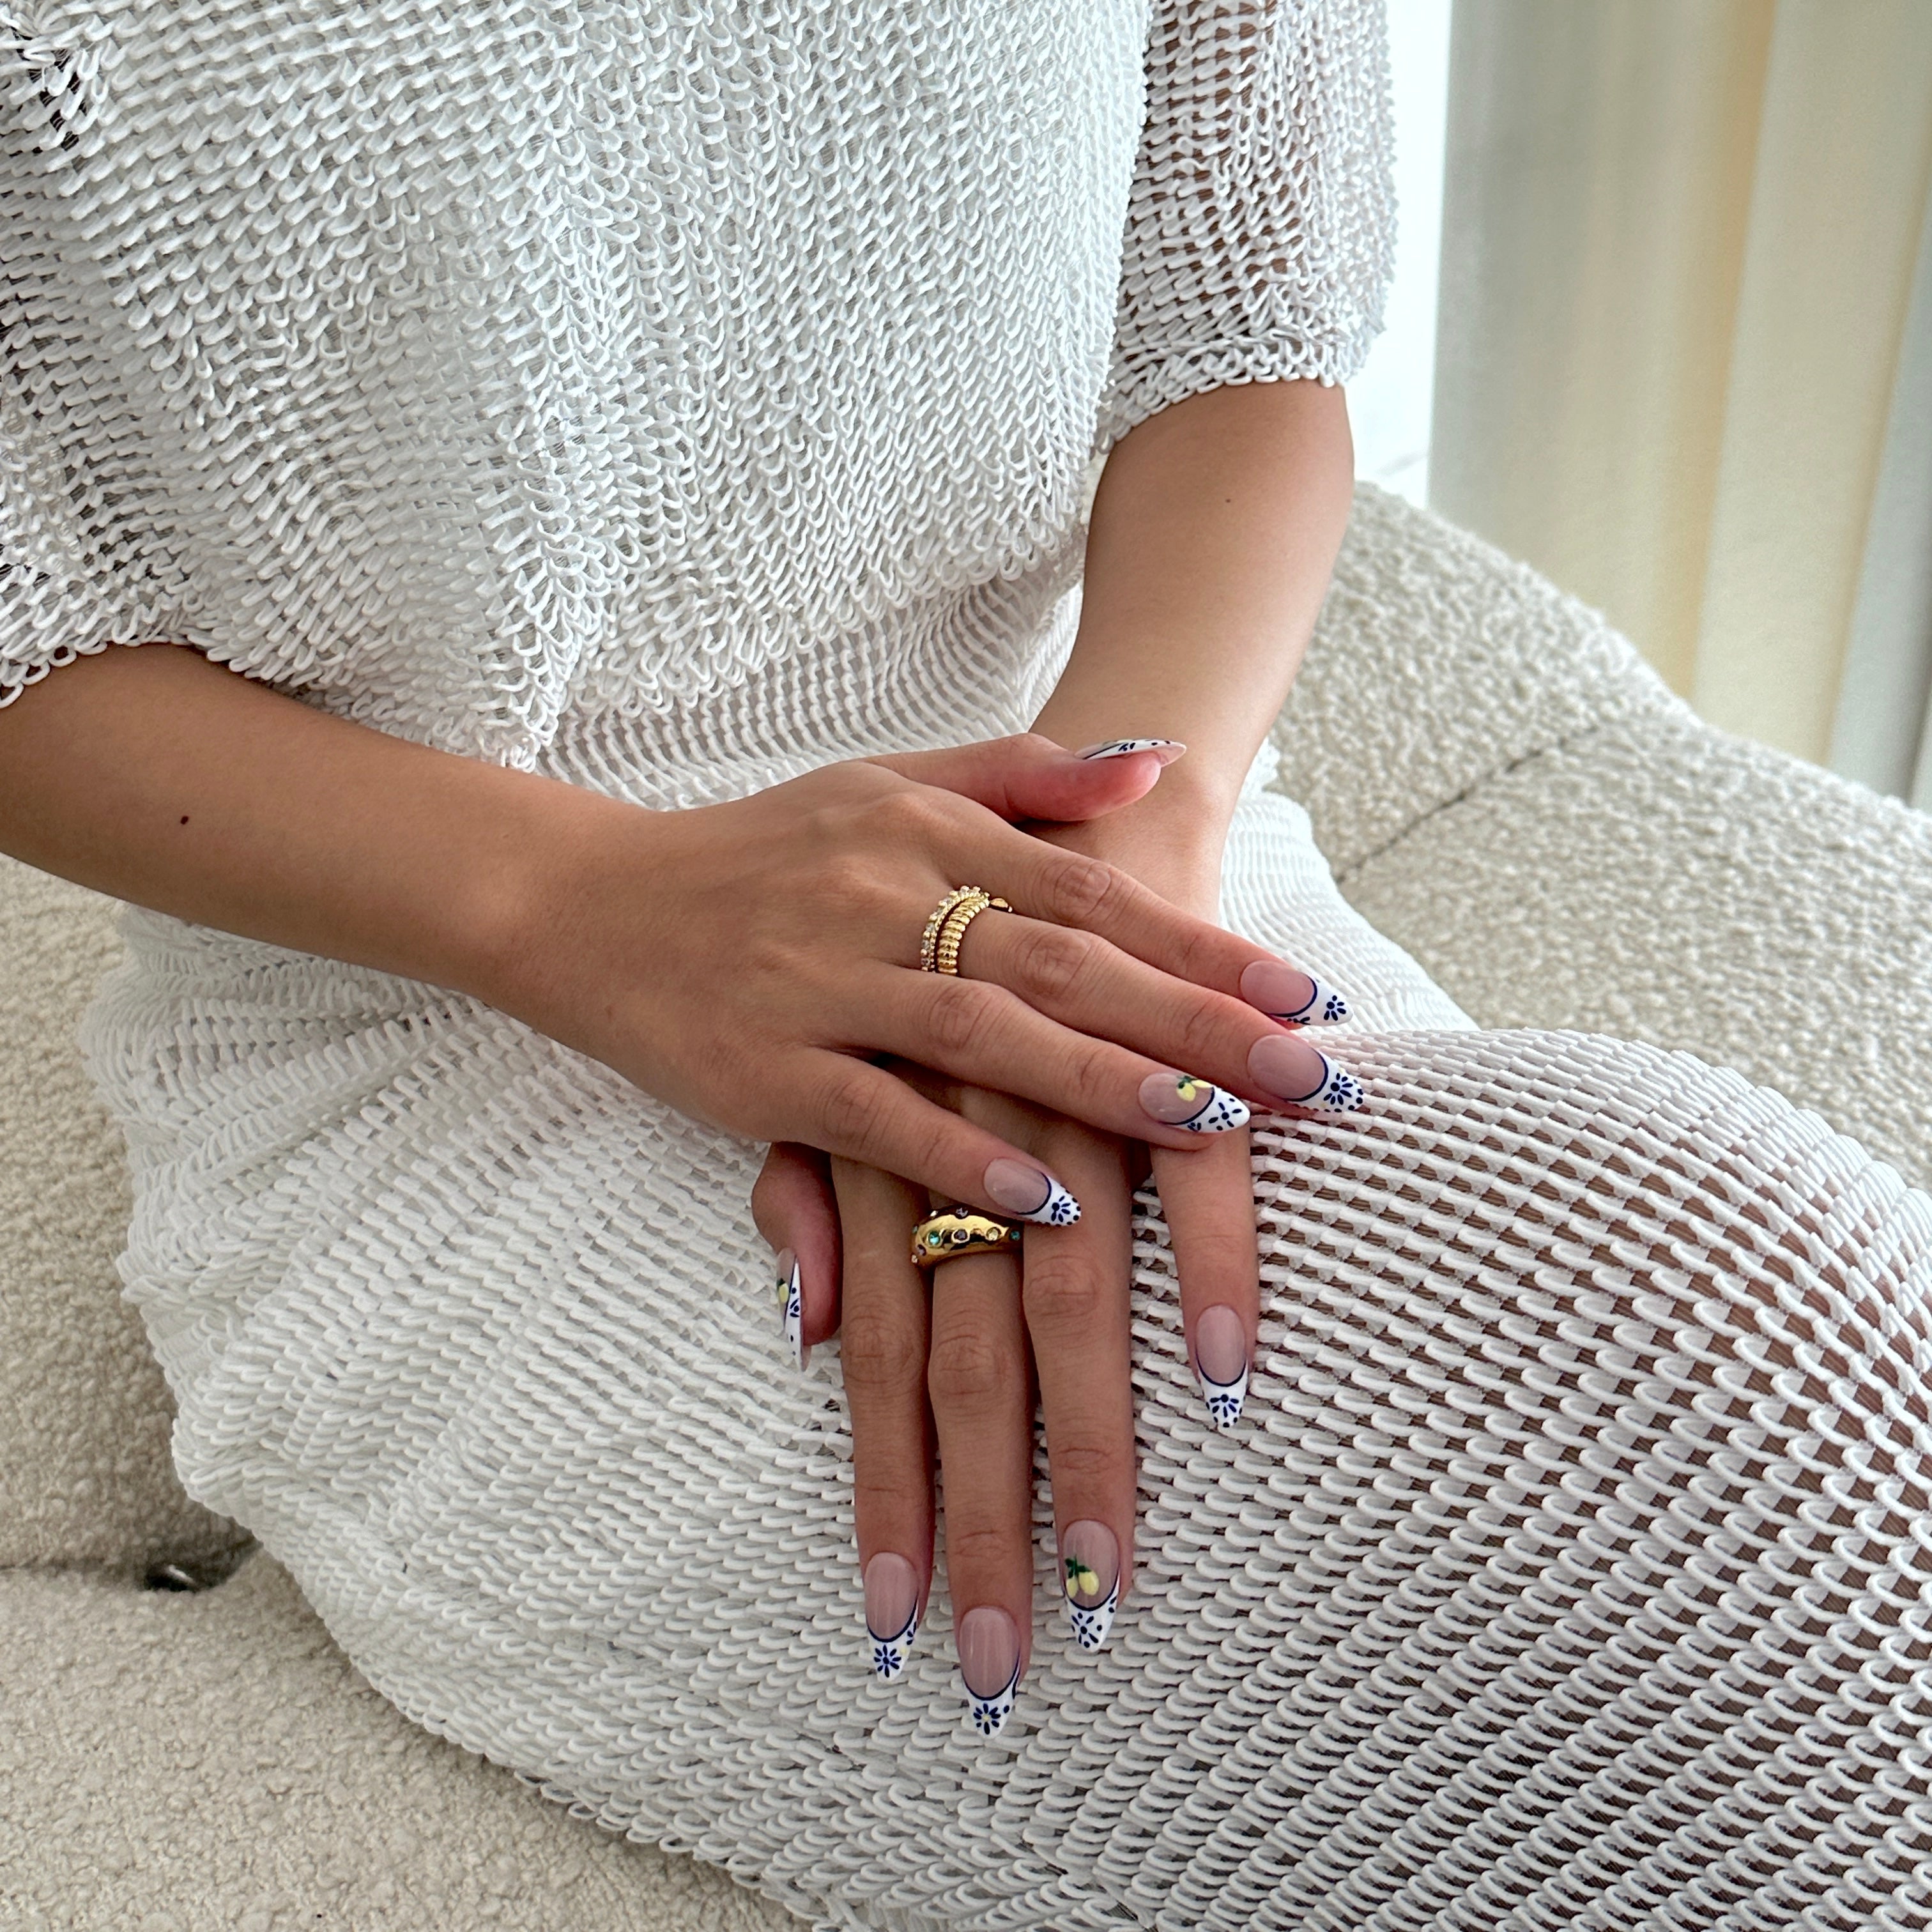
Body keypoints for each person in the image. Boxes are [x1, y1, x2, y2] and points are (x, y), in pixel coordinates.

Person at [1, 3, 1927, 1926]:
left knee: (1759, 1371)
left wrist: (1101, 865)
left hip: (1111, 832)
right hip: (457, 1020)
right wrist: (588, 909)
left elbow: (1241, 335)